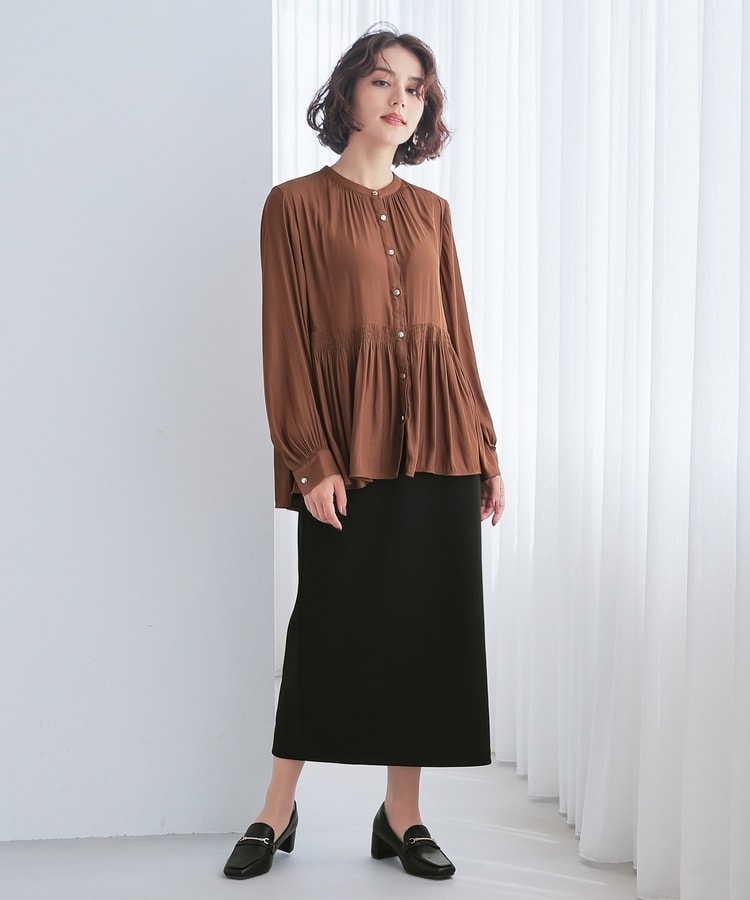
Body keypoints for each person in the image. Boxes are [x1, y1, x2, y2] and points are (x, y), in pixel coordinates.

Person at [223, 24, 505, 882]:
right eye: (383, 81)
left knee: (426, 626)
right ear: (347, 91)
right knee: (328, 622)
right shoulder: (293, 206)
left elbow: (455, 338)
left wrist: (487, 447)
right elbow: (287, 341)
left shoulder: (433, 214)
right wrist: (310, 459)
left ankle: (402, 815)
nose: (399, 99)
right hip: (346, 448)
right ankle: (277, 809)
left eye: (415, 89)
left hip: (442, 445)